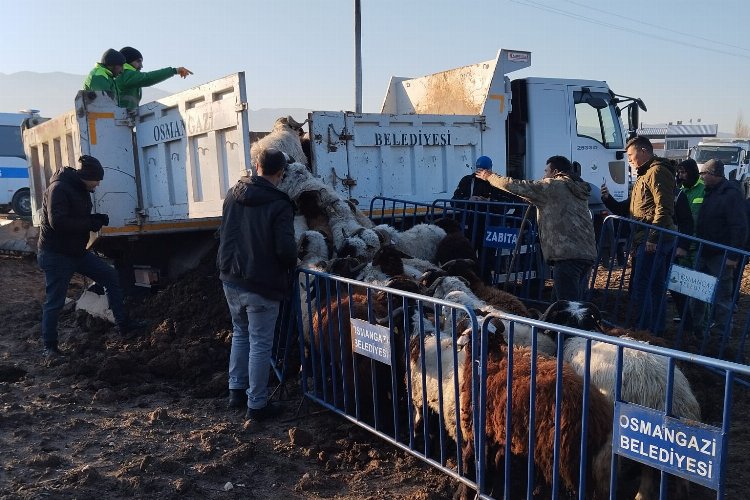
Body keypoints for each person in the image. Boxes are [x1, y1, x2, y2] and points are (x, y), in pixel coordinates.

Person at [217, 147, 297, 422]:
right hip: (261, 282)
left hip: (231, 278)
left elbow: (225, 231)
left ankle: (235, 391)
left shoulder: (233, 193)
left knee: (241, 333)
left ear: (257, 166)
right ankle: (257, 404)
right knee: (261, 344)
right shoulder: (279, 204)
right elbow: (286, 250)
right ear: (281, 173)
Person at [37, 155, 138, 357]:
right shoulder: (59, 188)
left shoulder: (81, 189)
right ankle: (49, 347)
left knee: (110, 276)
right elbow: (58, 222)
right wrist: (89, 224)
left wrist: (94, 219)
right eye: (97, 180)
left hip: (76, 252)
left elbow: (75, 216)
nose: (98, 184)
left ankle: (124, 326)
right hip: (56, 255)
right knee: (55, 301)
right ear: (87, 176)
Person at [476, 155, 597, 301]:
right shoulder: (576, 188)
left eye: (546, 171)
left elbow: (516, 185)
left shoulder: (552, 186)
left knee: (568, 306)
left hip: (567, 255)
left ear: (555, 172)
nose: (543, 175)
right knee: (564, 302)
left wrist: (490, 177)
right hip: (586, 253)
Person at [601, 136, 676, 334]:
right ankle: (653, 329)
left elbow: (664, 207)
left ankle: (646, 330)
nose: (630, 160)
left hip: (654, 238)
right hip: (646, 237)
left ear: (644, 151)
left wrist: (652, 238)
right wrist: (608, 200)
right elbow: (630, 207)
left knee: (644, 286)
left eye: (632, 155)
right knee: (654, 286)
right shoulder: (643, 175)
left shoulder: (657, 172)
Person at [693, 159, 748, 335]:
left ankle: (721, 334)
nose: (702, 178)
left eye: (705, 174)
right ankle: (699, 328)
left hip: (721, 254)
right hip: (705, 250)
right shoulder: (711, 191)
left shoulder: (730, 194)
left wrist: (733, 256)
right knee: (699, 292)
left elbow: (739, 226)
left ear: (714, 174)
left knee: (722, 296)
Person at [115, 46, 193, 110]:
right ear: (128, 61)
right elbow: (147, 78)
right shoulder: (125, 74)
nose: (141, 66)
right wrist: (174, 71)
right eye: (138, 61)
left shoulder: (127, 76)